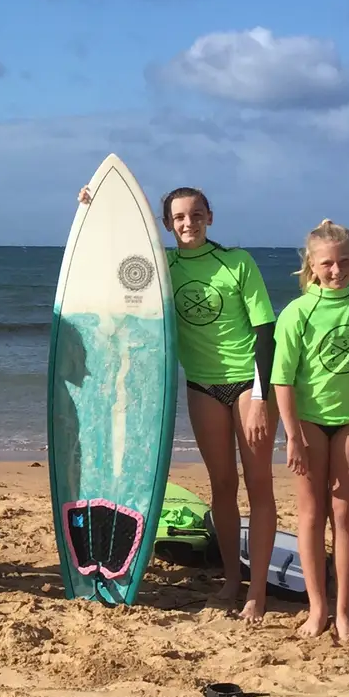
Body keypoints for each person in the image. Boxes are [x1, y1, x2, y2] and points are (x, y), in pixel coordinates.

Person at [82, 184, 280, 620]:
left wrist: (264, 397)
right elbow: (115, 272)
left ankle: (258, 592)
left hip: (248, 382)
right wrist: (94, 211)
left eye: (195, 215)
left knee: (258, 484)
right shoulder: (162, 266)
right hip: (202, 385)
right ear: (167, 224)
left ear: (210, 216)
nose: (187, 223)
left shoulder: (236, 262)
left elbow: (266, 332)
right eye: (178, 218)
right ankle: (232, 579)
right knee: (223, 486)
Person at [271, 219, 349, 643]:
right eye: (328, 264)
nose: (337, 271)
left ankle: (343, 611)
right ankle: (316, 608)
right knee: (311, 514)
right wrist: (293, 435)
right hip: (309, 422)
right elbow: (283, 378)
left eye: (345, 262)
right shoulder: (298, 312)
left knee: (345, 514)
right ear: (312, 266)